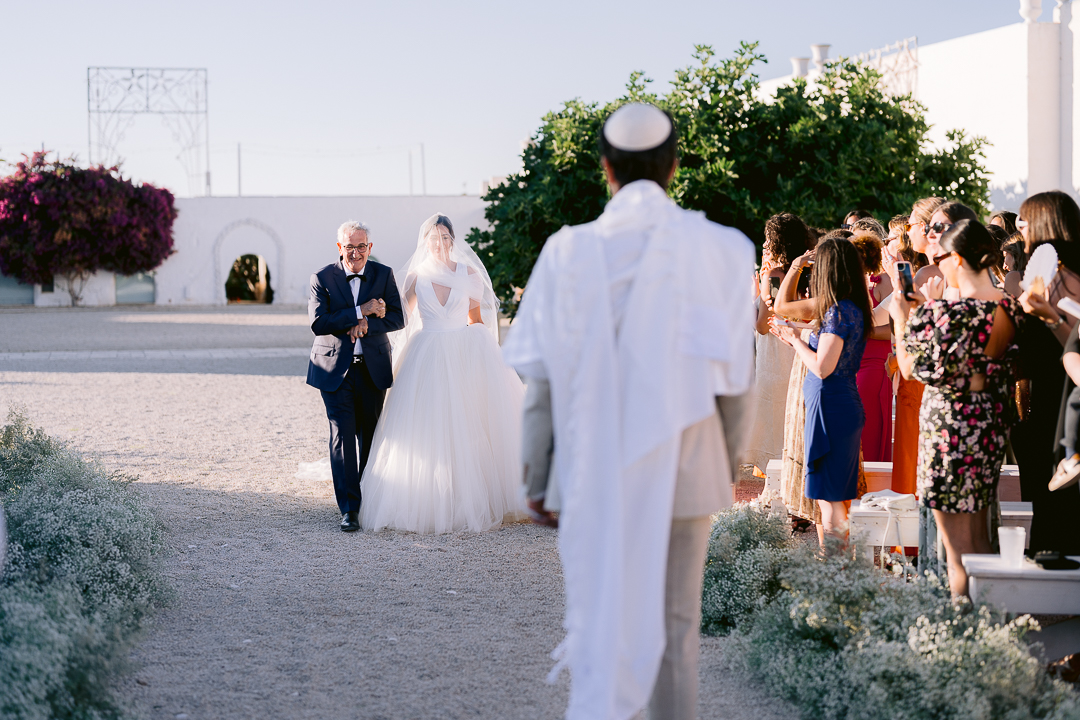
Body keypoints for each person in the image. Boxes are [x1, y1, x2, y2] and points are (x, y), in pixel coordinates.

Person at [503, 103, 755, 720]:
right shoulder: (723, 248)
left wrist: (538, 475)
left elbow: (539, 378)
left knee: (600, 611)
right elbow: (736, 378)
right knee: (677, 625)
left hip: (589, 465)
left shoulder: (566, 252)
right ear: (673, 168)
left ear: (606, 170)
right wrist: (726, 464)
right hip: (689, 460)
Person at [358, 214, 526, 534]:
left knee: (469, 421)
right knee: (430, 422)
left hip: (464, 349)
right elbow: (400, 318)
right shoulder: (416, 277)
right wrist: (368, 320)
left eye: (445, 238)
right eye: (434, 239)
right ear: (426, 243)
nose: (440, 244)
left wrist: (488, 360)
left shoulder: (470, 274)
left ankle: (473, 493)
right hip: (427, 353)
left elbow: (476, 318)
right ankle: (430, 496)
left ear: (453, 239)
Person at [889, 219, 1021, 597]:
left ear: (959, 258)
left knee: (957, 551)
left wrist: (904, 319)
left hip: (950, 429)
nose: (938, 263)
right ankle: (989, 624)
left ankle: (964, 633)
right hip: (988, 425)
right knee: (979, 539)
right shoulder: (1008, 307)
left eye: (943, 255)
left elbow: (913, 367)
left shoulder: (952, 311)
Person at [306, 220, 405, 532]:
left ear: (369, 248)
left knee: (371, 436)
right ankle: (349, 509)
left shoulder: (384, 274)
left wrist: (367, 325)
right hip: (335, 369)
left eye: (362, 246)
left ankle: (369, 498)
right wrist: (361, 310)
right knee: (343, 436)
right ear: (340, 248)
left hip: (372, 368)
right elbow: (319, 323)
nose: (356, 252)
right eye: (349, 246)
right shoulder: (321, 278)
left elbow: (397, 318)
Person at [773, 237, 871, 540]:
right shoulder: (849, 308)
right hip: (835, 405)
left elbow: (822, 366)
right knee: (833, 500)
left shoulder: (839, 312)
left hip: (831, 408)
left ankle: (834, 574)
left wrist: (795, 341)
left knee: (830, 502)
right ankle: (836, 571)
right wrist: (797, 332)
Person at [1013, 191, 1080, 554]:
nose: (1019, 226)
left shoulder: (1064, 275)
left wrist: (1048, 318)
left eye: (1025, 219)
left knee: (1058, 495)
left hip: (1063, 397)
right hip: (1042, 396)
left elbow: (1075, 341)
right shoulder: (1043, 272)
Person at [749, 213, 810, 476]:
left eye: (768, 240)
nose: (764, 245)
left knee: (775, 439)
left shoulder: (774, 275)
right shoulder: (807, 271)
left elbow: (763, 324)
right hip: (799, 358)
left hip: (775, 362)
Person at [850, 233, 893, 461]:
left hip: (875, 364)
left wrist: (861, 332)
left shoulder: (883, 281)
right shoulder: (849, 280)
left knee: (869, 429)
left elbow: (893, 327)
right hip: (851, 362)